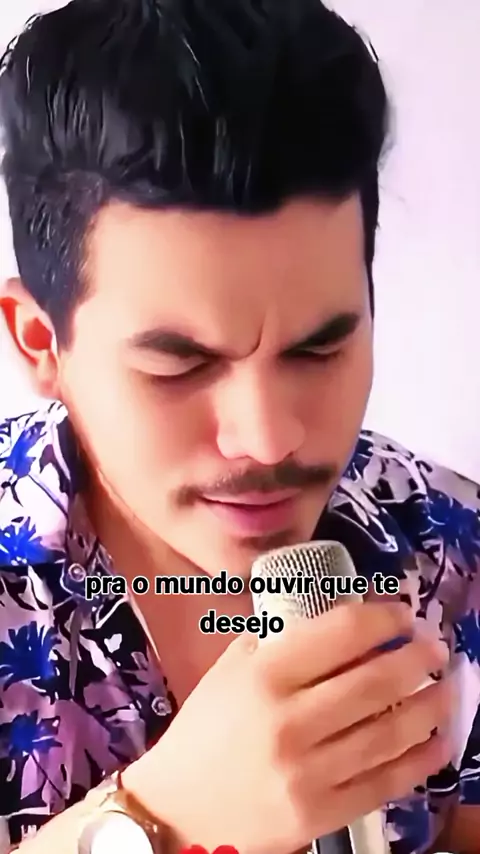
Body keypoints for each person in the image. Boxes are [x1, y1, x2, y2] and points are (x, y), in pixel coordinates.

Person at [0, 0, 478, 851]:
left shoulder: (453, 549)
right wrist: (167, 817)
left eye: (320, 350)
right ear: (41, 342)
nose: (268, 439)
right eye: (179, 366)